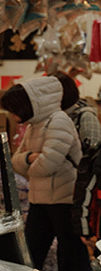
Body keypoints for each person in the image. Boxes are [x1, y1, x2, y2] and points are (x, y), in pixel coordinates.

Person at [0, 76, 96, 271]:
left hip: (65, 199)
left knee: (71, 256)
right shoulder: (35, 125)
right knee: (30, 252)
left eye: (14, 109)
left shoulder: (59, 121)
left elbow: (47, 165)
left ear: (30, 104)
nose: (12, 114)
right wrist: (32, 158)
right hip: (41, 198)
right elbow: (16, 160)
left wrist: (30, 160)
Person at [56, 71, 101, 242]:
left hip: (75, 186)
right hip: (72, 191)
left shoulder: (85, 116)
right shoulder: (52, 119)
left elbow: (91, 159)